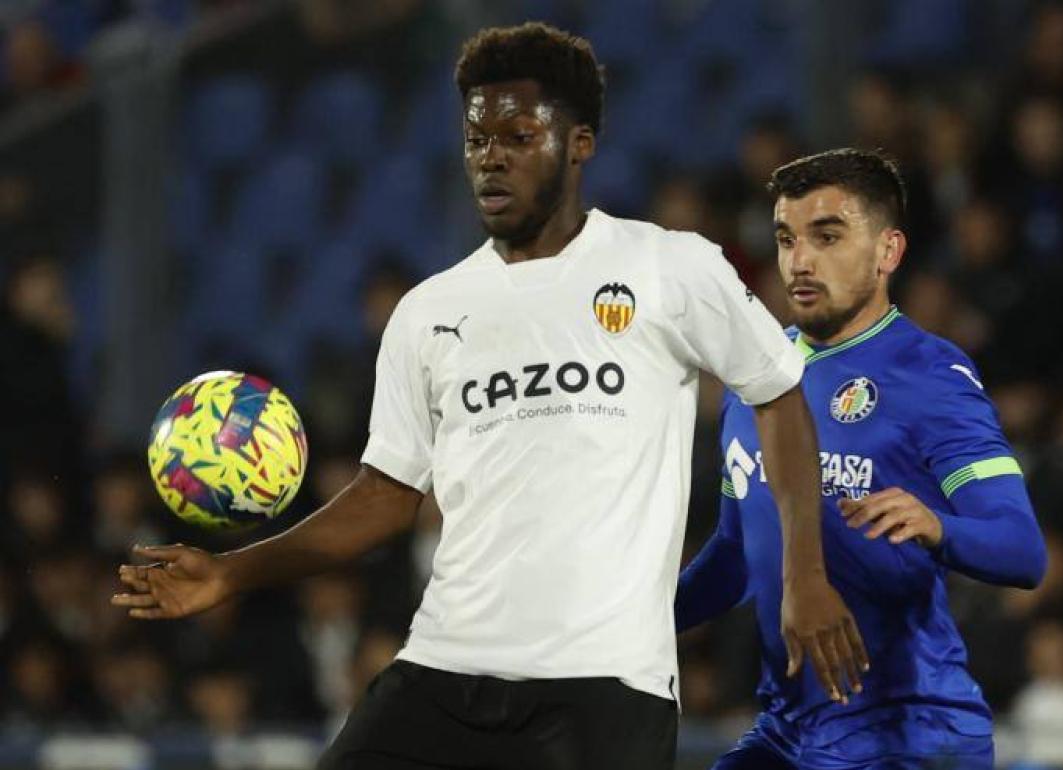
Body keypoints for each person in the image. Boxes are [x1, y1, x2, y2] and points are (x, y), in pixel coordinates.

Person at [111, 23, 867, 770]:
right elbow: (384, 498)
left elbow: (779, 394)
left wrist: (803, 574)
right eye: (477, 141)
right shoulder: (429, 311)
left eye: (516, 136)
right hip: (442, 670)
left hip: (603, 689)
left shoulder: (667, 268)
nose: (490, 159)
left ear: (579, 144)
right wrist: (231, 571)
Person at [675, 148, 1048, 769]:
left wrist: (939, 526)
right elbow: (738, 554)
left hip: (910, 734)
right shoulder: (756, 380)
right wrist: (633, 625)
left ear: (888, 252)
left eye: (827, 236)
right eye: (786, 238)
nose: (800, 259)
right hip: (788, 732)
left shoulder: (931, 376)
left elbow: (1023, 549)